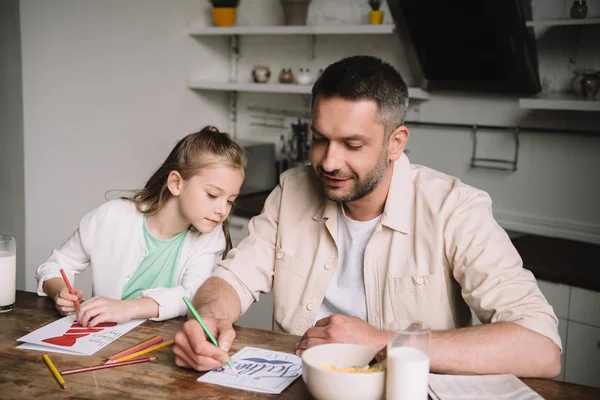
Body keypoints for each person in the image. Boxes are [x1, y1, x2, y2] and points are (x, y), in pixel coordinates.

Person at [173, 56, 562, 378]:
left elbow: (541, 349)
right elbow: (233, 279)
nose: (329, 161)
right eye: (321, 139)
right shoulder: (292, 190)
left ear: (396, 143)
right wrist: (206, 320)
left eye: (352, 145)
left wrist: (383, 342)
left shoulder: (454, 208)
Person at [36, 126, 246, 327]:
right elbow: (54, 266)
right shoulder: (112, 216)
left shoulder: (211, 237)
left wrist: (127, 309)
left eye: (230, 201)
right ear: (176, 183)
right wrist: (59, 291)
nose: (223, 210)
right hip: (100, 342)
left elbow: (193, 296)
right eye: (213, 195)